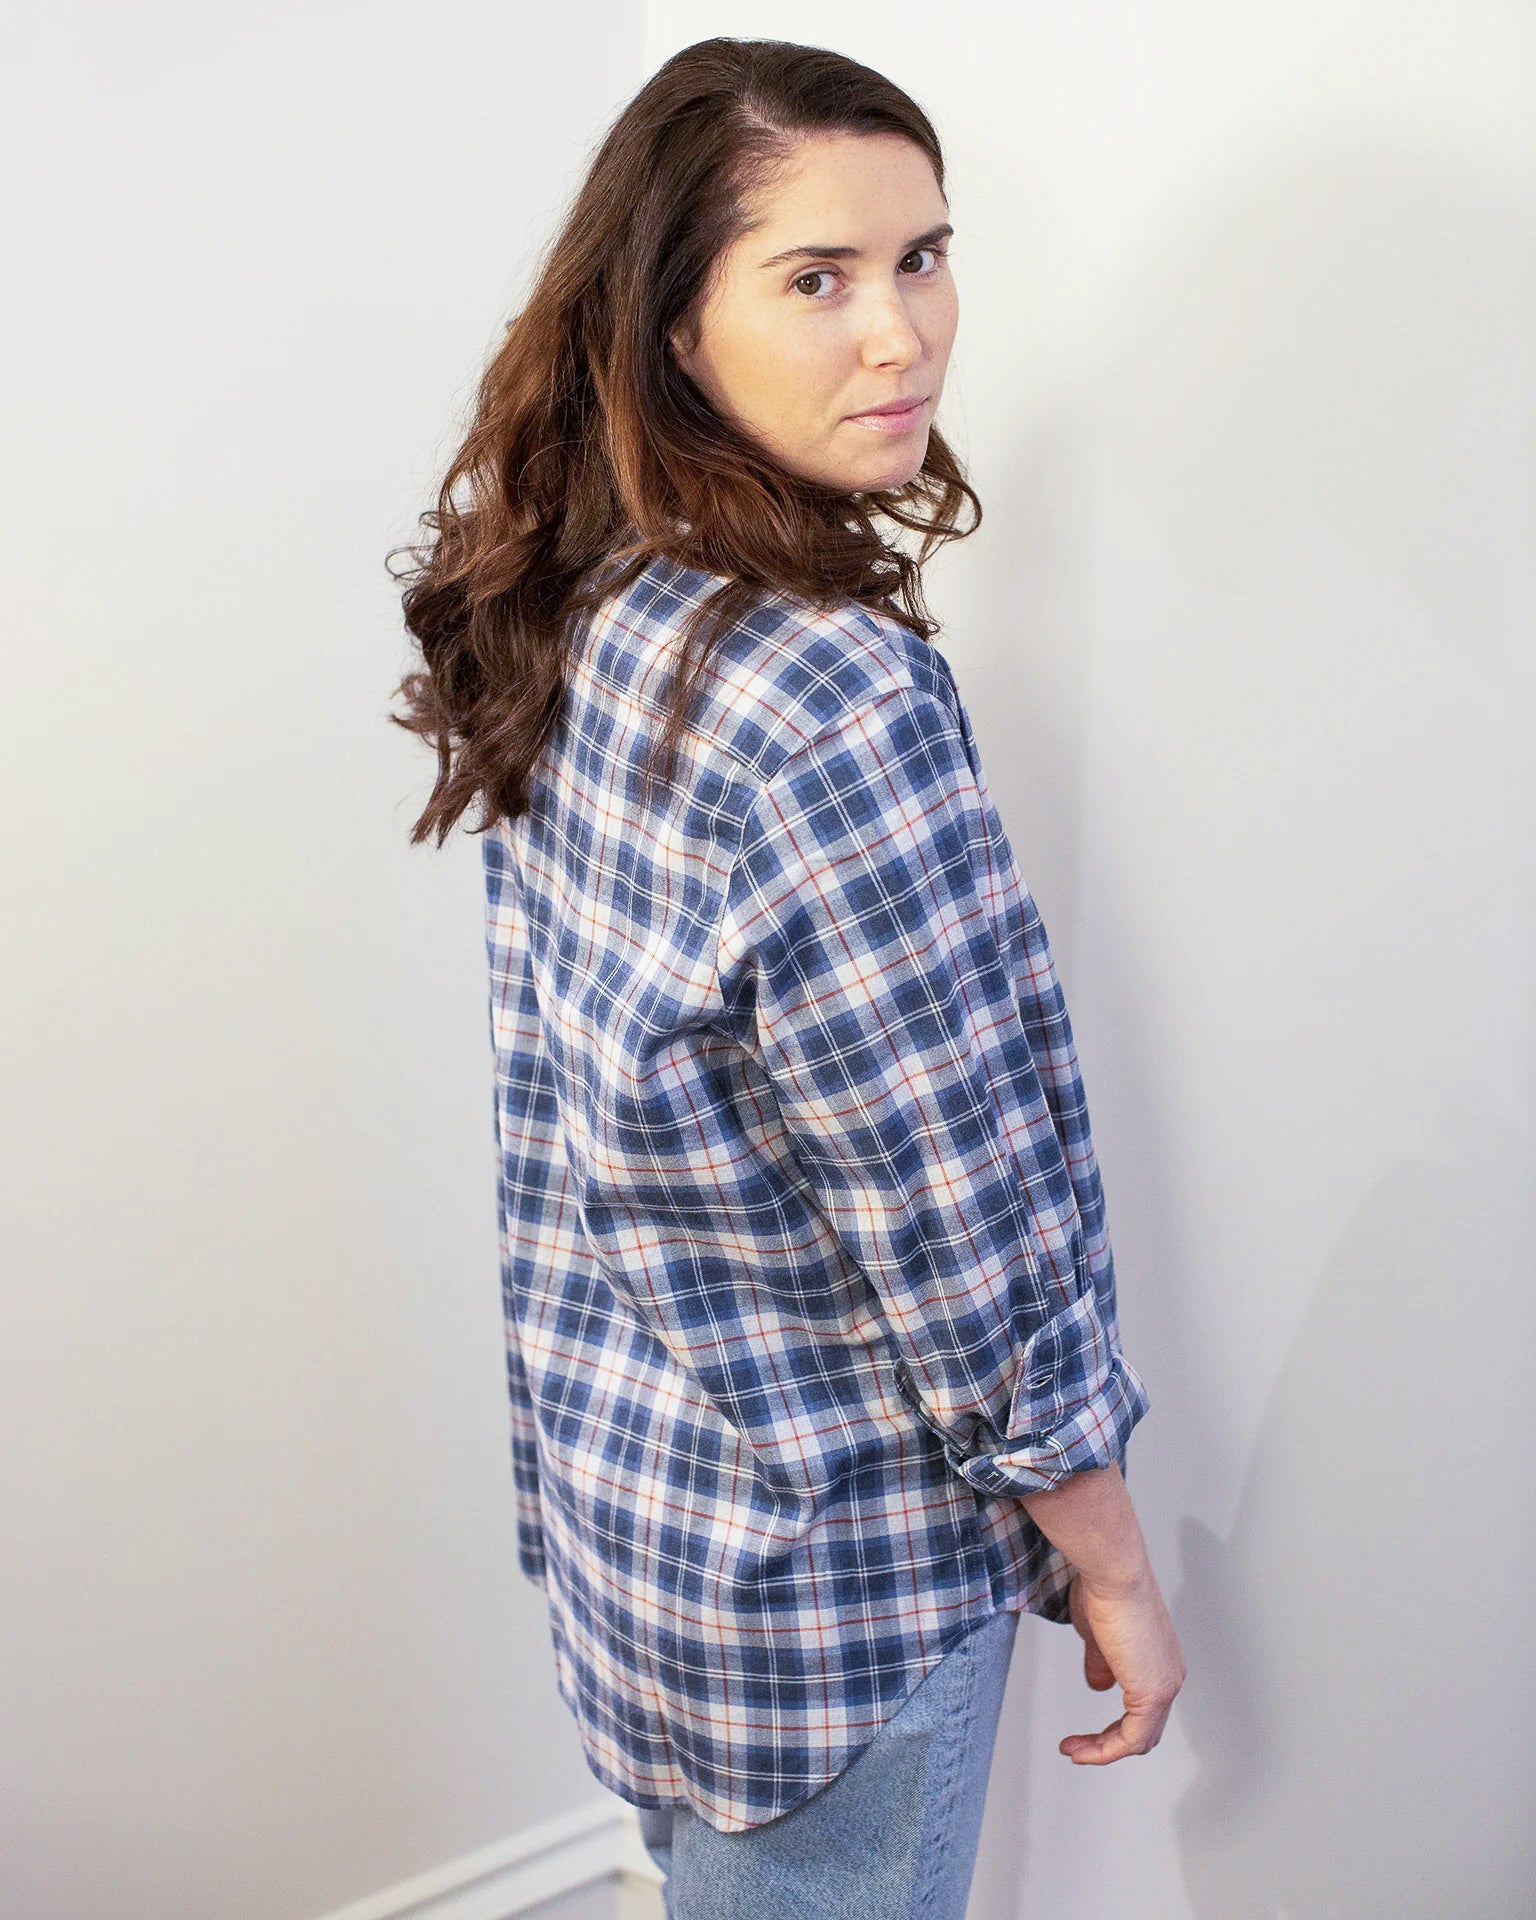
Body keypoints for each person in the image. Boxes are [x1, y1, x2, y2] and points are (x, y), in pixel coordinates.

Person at [388, 36, 1185, 1920]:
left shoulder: (589, 602)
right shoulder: (828, 697)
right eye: (816, 279)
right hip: (835, 1588)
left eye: (922, 258)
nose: (900, 337)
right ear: (675, 323)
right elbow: (958, 1215)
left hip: (643, 1529)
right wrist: (1113, 1556)